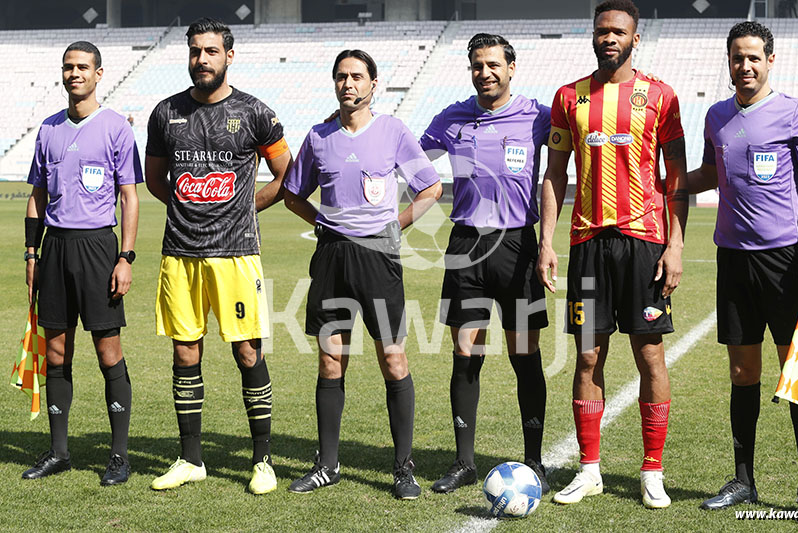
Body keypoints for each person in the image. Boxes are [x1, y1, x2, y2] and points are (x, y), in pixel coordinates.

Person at [537, 0, 688, 509]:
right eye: (602, 30)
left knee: (649, 354)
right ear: (593, 35)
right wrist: (546, 243)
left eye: (618, 31)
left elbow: (676, 181)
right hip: (587, 244)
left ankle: (652, 472)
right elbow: (555, 174)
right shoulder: (568, 98)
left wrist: (676, 244)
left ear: (635, 38)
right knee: (586, 356)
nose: (609, 38)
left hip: (645, 242)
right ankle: (589, 470)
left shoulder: (661, 96)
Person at [687, 21, 798, 518]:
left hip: (785, 261)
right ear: (728, 62)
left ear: (770, 60)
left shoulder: (795, 113)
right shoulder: (716, 116)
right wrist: (662, 184)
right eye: (737, 57)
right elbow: (710, 172)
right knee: (742, 370)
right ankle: (744, 480)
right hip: (732, 258)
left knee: (796, 371)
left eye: (754, 57)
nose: (745, 66)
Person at [282, 49, 442, 500]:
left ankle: (402, 468)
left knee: (392, 358)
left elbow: (431, 187)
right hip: (332, 258)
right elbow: (294, 195)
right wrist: (323, 224)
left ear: (374, 84)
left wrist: (396, 226)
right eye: (340, 77)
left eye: (356, 76)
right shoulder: (318, 136)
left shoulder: (392, 131)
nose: (347, 84)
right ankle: (327, 465)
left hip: (379, 258)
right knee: (331, 358)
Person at [144, 18, 292, 495]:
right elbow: (154, 179)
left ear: (229, 55)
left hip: (236, 254)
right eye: (195, 51)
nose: (201, 59)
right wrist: (194, 208)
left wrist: (244, 206)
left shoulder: (255, 113)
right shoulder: (165, 114)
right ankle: (191, 459)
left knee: (248, 352)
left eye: (210, 51)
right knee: (185, 350)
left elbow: (285, 174)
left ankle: (263, 461)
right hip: (180, 254)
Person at [418, 33, 551, 494]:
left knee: (524, 355)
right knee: (465, 355)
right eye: (477, 65)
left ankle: (534, 459)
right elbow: (413, 158)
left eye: (493, 64)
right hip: (466, 245)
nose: (485, 72)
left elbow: (569, 157)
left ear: (511, 67)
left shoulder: (538, 116)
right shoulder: (452, 118)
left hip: (518, 245)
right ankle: (464, 462)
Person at [23, 41, 142, 486]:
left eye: (82, 67)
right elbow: (37, 196)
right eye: (68, 67)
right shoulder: (48, 129)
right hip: (54, 248)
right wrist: (32, 253)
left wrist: (125, 257)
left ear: (98, 74)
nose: (74, 74)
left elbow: (130, 197)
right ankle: (58, 452)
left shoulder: (115, 128)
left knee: (107, 350)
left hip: (98, 248)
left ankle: (119, 455)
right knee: (56, 349)